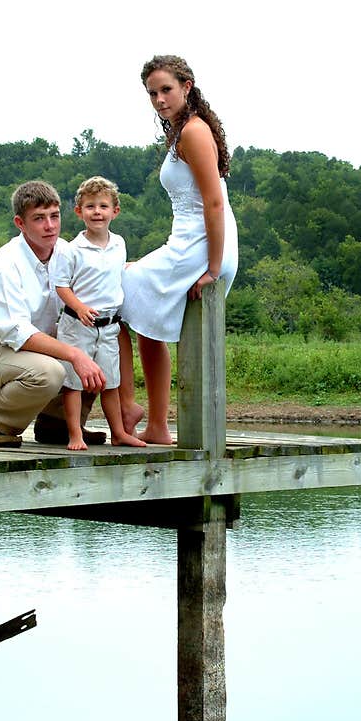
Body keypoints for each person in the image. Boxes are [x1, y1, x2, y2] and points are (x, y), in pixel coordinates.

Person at [119, 55, 238, 444]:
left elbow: (214, 203)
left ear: (186, 86)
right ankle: (154, 422)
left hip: (203, 246)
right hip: (186, 242)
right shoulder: (180, 131)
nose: (159, 99)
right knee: (132, 302)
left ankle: (131, 407)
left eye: (166, 89)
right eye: (152, 93)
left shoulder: (194, 132)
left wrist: (214, 267)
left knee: (117, 292)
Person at [0, 180, 106, 447]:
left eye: (54, 216)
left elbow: (101, 277)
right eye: (39, 219)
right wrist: (74, 354)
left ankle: (57, 425)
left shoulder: (66, 251)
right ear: (20, 223)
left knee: (99, 343)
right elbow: (16, 332)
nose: (50, 226)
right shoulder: (5, 264)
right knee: (50, 372)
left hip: (33, 350)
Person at [51, 176, 146, 451]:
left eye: (103, 206)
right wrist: (79, 307)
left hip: (109, 325)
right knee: (74, 383)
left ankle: (119, 432)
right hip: (77, 324)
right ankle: (75, 435)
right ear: (79, 211)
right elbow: (61, 285)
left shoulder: (119, 244)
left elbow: (116, 274)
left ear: (115, 211)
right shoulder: (71, 250)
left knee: (110, 382)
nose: (97, 212)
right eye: (90, 206)